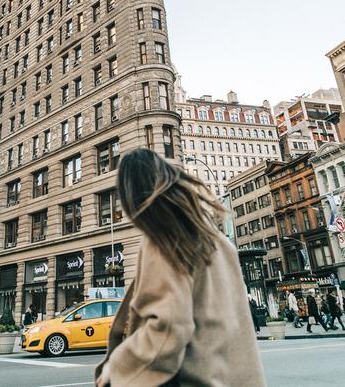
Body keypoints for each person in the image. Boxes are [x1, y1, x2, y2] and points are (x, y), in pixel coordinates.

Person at [95, 149, 267, 387]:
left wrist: (117, 367)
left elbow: (168, 327)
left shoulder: (164, 236)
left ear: (131, 195)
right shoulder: (216, 238)